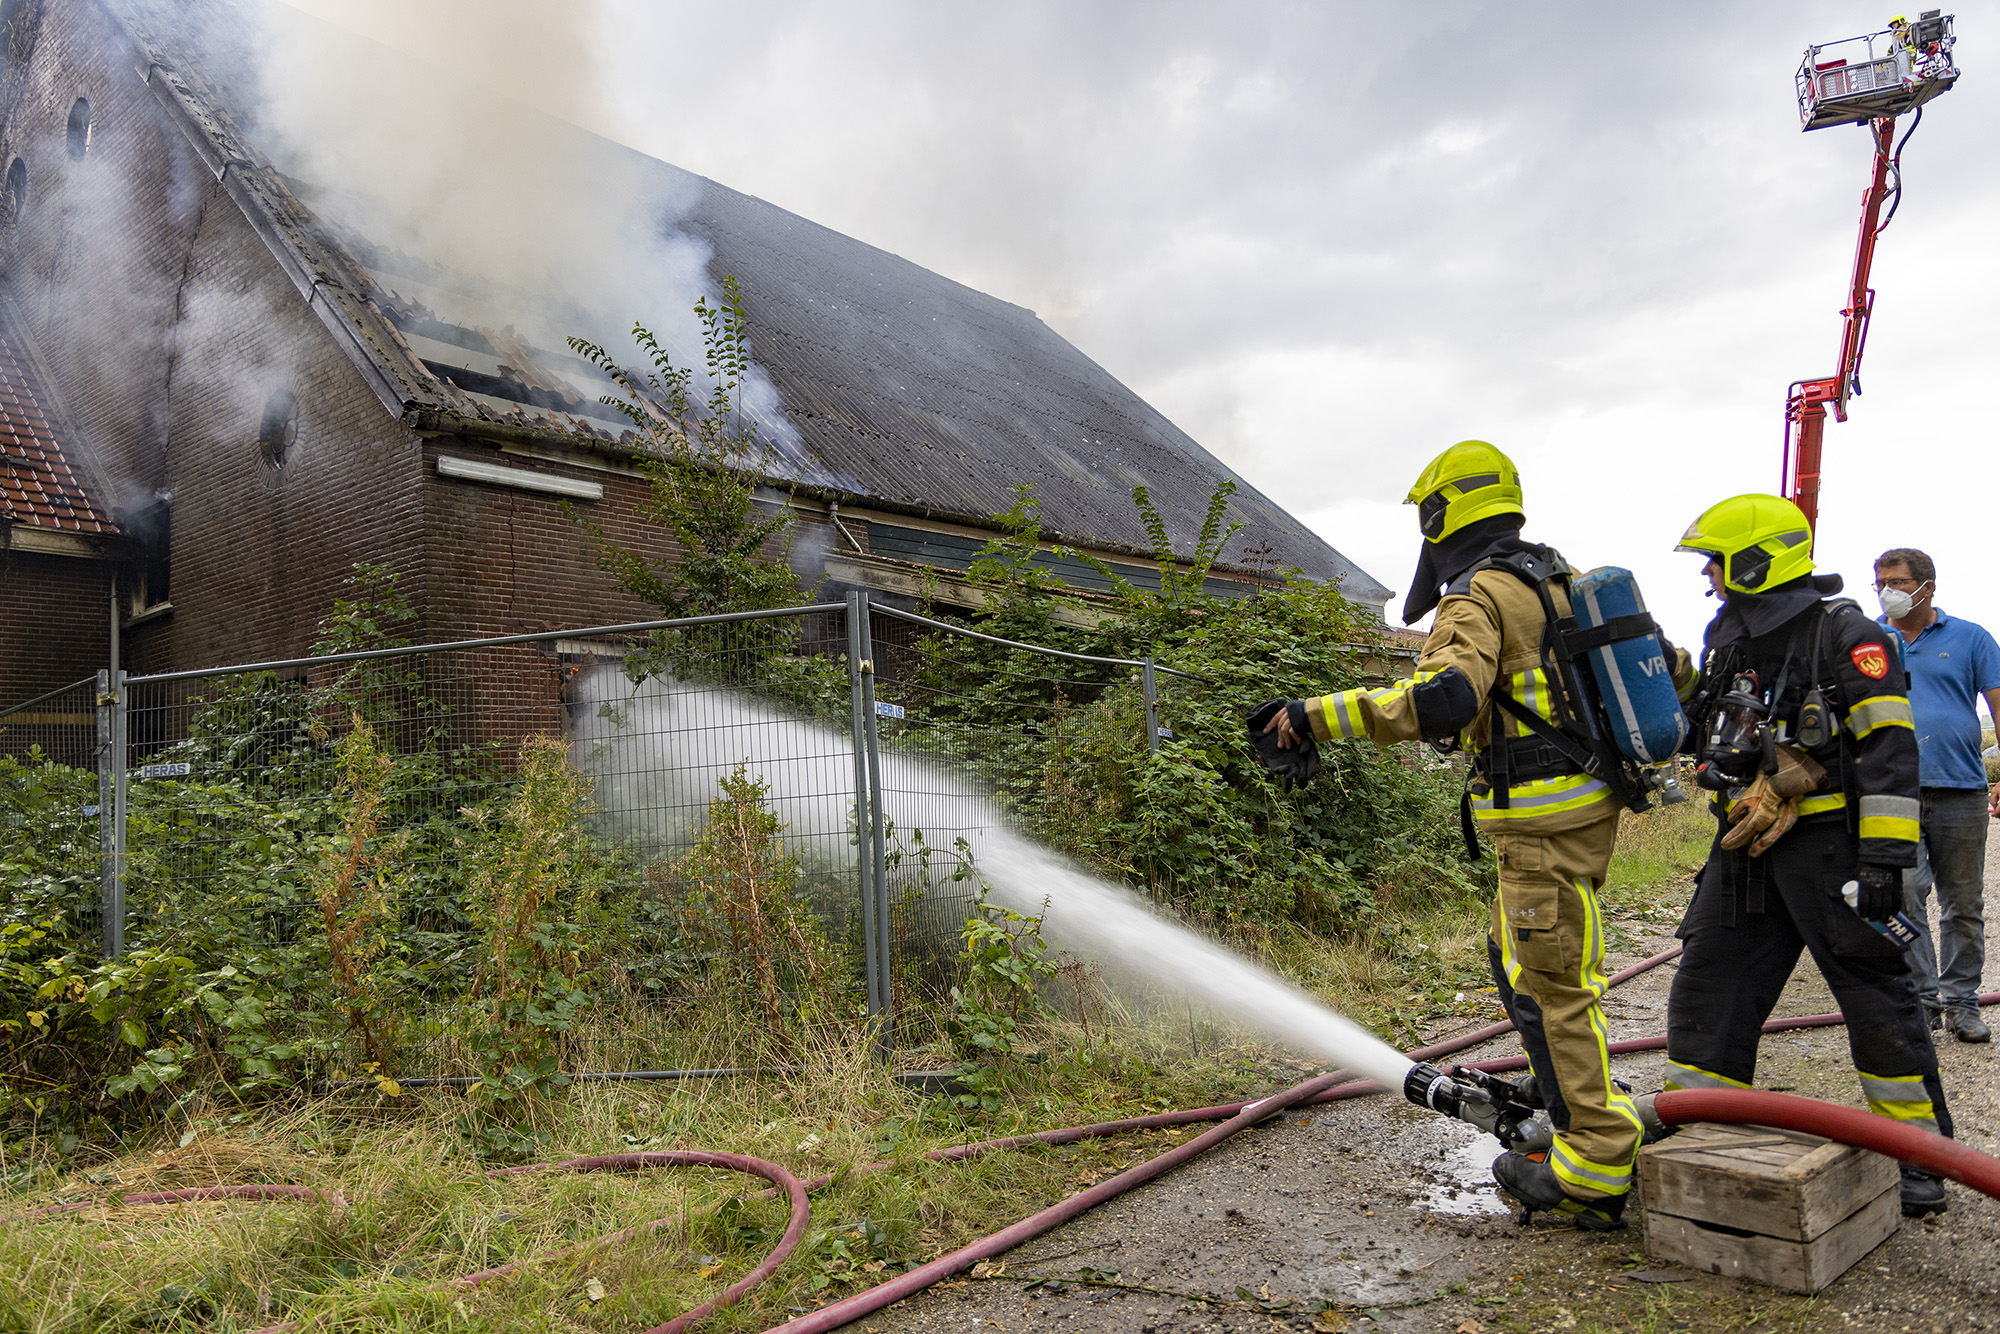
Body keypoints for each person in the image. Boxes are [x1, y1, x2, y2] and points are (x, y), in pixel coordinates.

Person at [1261, 439, 1694, 1230]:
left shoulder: (1478, 594)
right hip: (1580, 808)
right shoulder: (1554, 576)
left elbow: (1446, 698)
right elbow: (1671, 671)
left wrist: (1314, 715)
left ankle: (1595, 1160)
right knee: (1518, 965)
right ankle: (1568, 1097)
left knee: (1555, 989)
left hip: (1540, 825)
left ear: (1440, 515)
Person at [1667, 495, 1952, 1218]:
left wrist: (1884, 861)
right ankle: (1702, 1132)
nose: (1707, 576)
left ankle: (1920, 1155)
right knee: (1709, 984)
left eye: (1715, 561)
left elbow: (1890, 751)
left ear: (1755, 562)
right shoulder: (1728, 638)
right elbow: (1704, 732)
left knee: (1876, 997)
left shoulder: (1848, 634)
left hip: (1834, 852)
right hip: (1748, 847)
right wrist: (1672, 680)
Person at [1873, 547, 2000, 1043]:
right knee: (1903, 897)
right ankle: (1922, 1000)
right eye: (1880, 582)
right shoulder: (1869, 641)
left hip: (1960, 790)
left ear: (1927, 586)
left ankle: (1963, 1003)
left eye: (1898, 582)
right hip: (1891, 792)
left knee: (1963, 904)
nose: (1888, 592)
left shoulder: (1971, 638)